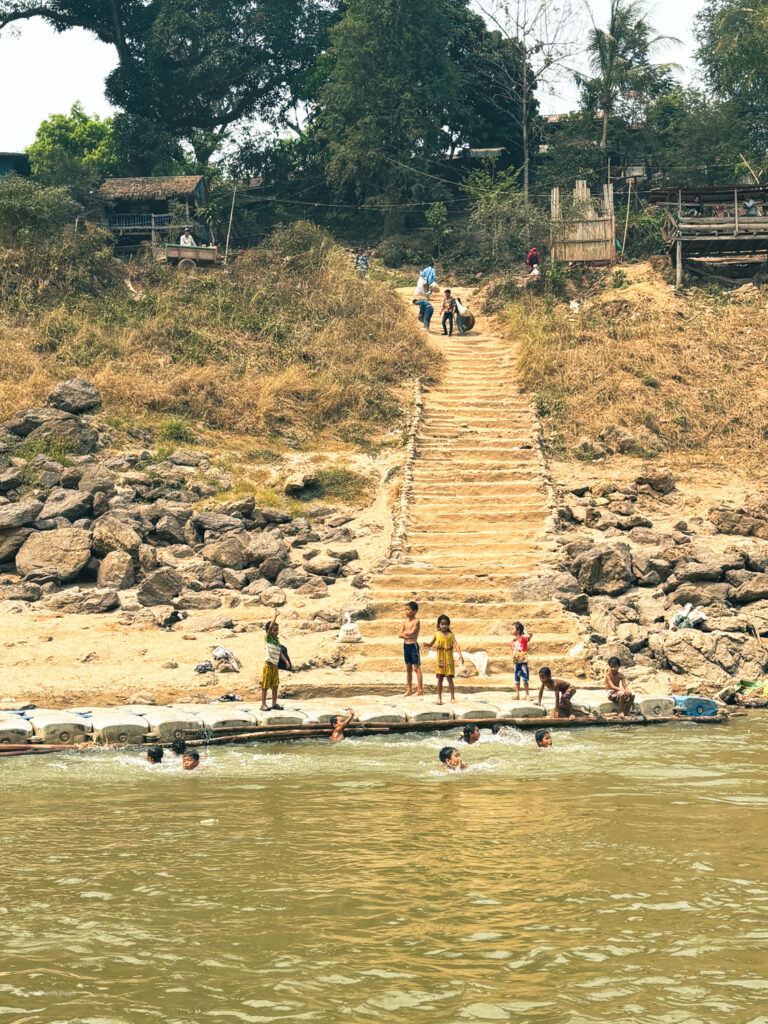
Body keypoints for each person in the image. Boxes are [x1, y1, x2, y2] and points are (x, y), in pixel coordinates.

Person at [424, 614, 464, 704]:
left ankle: (452, 697)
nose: (444, 626)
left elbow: (456, 645)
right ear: (439, 625)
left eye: (446, 624)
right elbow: (431, 644)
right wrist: (428, 645)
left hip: (449, 659)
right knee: (440, 679)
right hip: (441, 659)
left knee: (450, 679)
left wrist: (460, 654)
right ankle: (439, 697)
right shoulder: (437, 634)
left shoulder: (451, 635)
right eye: (442, 624)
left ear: (448, 625)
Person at [260, 609, 284, 712]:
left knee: (275, 685)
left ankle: (274, 703)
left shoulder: (277, 641)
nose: (275, 632)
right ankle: (263, 704)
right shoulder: (268, 638)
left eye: (277, 630)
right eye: (274, 630)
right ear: (268, 631)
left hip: (275, 667)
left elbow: (280, 652)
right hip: (268, 667)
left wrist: (286, 661)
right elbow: (270, 627)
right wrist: (275, 616)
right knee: (265, 686)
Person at [399, 600, 423, 696]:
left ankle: (420, 690)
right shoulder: (404, 622)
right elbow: (399, 634)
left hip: (413, 646)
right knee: (408, 668)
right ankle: (409, 689)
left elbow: (411, 633)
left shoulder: (416, 621)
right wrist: (407, 636)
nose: (406, 612)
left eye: (408, 610)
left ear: (414, 611)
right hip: (406, 646)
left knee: (416, 668)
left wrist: (405, 635)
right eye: (405, 610)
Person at [510, 621, 533, 700]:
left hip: (523, 660)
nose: (511, 630)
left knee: (525, 677)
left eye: (513, 629)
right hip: (516, 660)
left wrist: (528, 632)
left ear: (518, 630)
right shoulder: (513, 641)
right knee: (516, 677)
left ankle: (527, 694)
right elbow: (512, 651)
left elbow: (529, 637)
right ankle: (517, 694)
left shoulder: (523, 638)